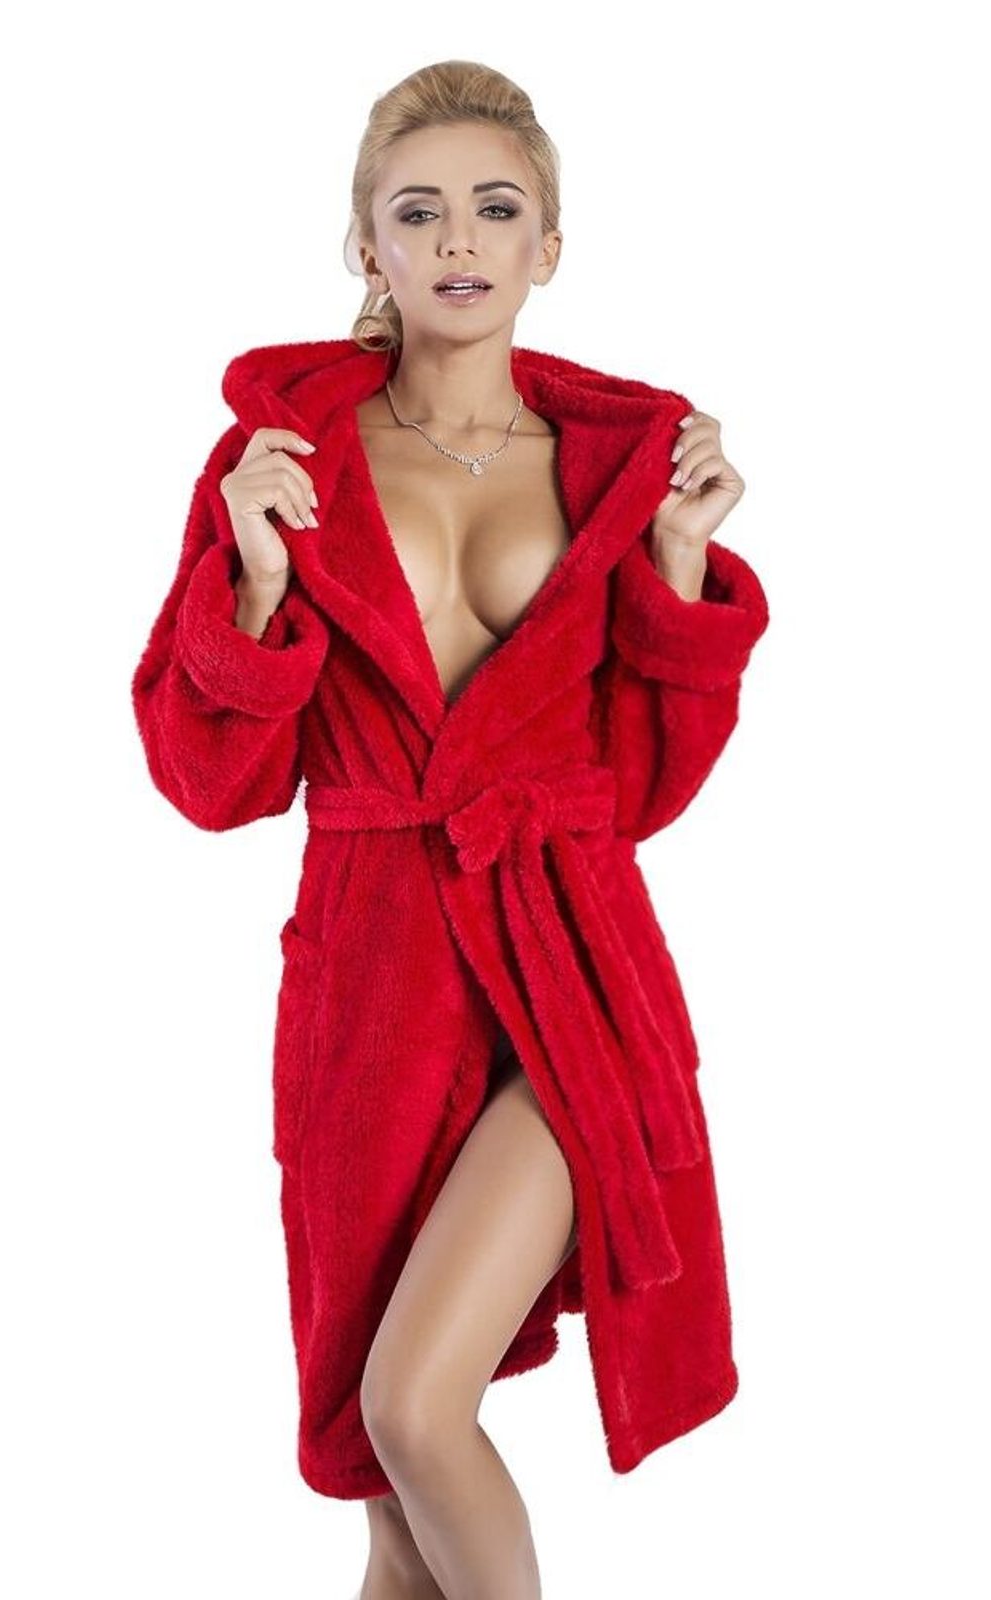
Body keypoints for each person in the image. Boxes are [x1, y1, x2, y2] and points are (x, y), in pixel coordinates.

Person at [131, 58, 770, 1600]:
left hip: (569, 969)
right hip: (371, 986)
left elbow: (646, 789)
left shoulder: (618, 477)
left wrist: (679, 568)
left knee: (414, 1409)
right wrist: (256, 586)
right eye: (418, 212)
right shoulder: (284, 467)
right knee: (383, 1487)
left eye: (497, 207)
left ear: (551, 244)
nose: (460, 238)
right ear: (367, 246)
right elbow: (214, 785)